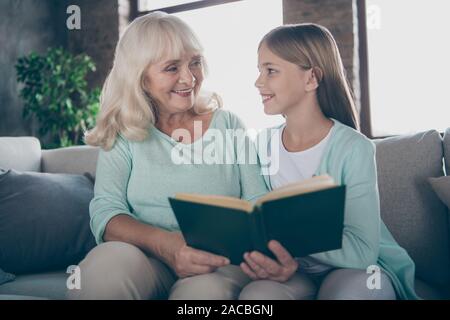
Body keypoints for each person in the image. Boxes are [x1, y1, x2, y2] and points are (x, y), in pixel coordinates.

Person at [66, 11, 268, 300]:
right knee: (103, 275)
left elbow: (256, 203)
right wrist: (167, 245)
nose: (189, 77)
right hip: (145, 256)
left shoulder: (228, 124)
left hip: (217, 264)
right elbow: (107, 212)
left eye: (195, 63)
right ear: (141, 77)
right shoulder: (123, 132)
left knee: (203, 296)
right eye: (172, 68)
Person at [240, 23, 420, 300]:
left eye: (271, 71)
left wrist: (288, 234)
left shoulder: (353, 148)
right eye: (259, 71)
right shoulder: (259, 146)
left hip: (358, 269)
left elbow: (361, 252)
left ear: (311, 79)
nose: (258, 82)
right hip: (293, 271)